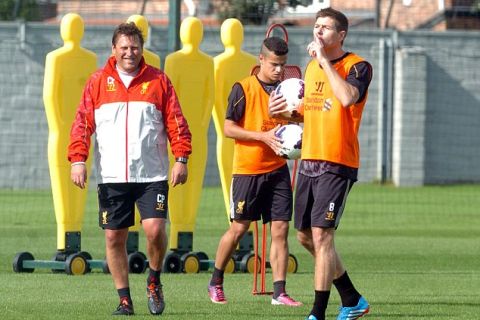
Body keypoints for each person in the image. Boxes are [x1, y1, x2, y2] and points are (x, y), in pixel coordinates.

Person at [68, 22, 192, 316]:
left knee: (154, 229)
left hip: (152, 174)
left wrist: (182, 158)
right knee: (114, 238)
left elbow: (177, 123)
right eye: (123, 47)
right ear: (114, 49)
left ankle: (153, 279)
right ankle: (124, 299)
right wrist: (77, 160)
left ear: (141, 49)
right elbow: (82, 124)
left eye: (134, 47)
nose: (129, 53)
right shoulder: (97, 82)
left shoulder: (159, 81)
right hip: (112, 175)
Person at [269, 7, 373, 320]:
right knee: (304, 236)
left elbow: (345, 98)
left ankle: (318, 314)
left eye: (325, 27)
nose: (319, 31)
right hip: (310, 160)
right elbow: (312, 112)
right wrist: (283, 114)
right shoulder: (312, 69)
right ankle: (352, 299)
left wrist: (325, 62)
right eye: (316, 26)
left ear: (340, 35)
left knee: (322, 236)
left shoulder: (358, 66)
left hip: (337, 161)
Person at [207, 36, 302, 307]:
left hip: (278, 170)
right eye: (273, 64)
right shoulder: (243, 88)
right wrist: (263, 137)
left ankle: (279, 292)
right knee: (239, 229)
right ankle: (215, 281)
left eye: (282, 65)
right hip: (248, 171)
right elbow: (228, 128)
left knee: (281, 229)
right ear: (261, 59)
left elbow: (295, 120)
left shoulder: (287, 91)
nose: (278, 70)